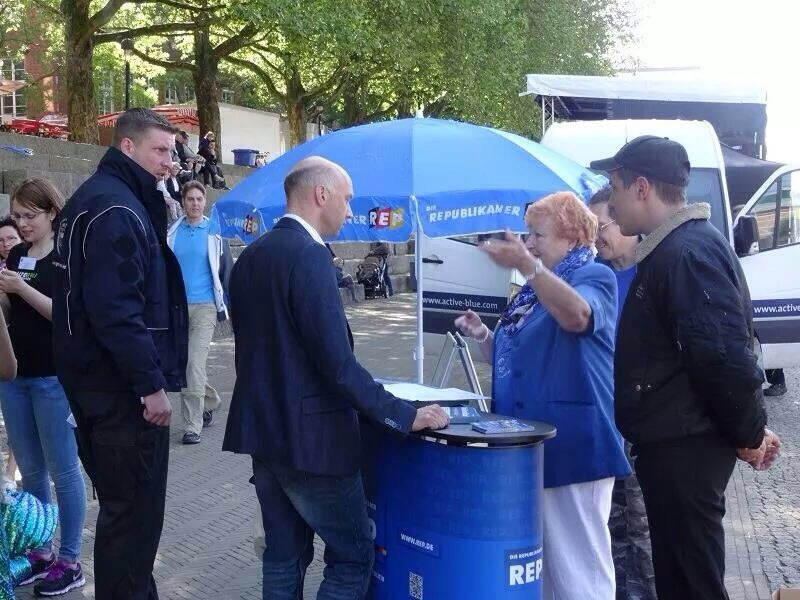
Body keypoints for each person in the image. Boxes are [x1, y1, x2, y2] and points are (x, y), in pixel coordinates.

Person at [223, 156, 449, 599]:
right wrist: (403, 415)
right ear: (320, 194)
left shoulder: (250, 256)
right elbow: (338, 365)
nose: (350, 212)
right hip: (314, 443)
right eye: (347, 199)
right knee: (352, 556)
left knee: (283, 557)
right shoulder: (308, 257)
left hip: (265, 435)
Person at [590, 136, 781, 600]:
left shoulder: (686, 251)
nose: (609, 203)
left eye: (613, 187)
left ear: (640, 187)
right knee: (681, 578)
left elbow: (723, 358)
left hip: (685, 449)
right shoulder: (675, 248)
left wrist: (749, 434)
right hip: (676, 445)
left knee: (692, 583)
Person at [455, 191, 630, 600]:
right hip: (531, 449)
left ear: (571, 239)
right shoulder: (533, 291)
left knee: (579, 572)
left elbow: (578, 317)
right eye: (528, 234)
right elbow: (514, 353)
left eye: (538, 235)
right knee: (545, 573)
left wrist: (529, 267)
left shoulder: (593, 276)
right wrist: (484, 335)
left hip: (573, 448)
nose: (529, 243)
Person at [52, 108, 189, 600]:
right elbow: (116, 311)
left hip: (94, 388)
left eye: (171, 152)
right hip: (121, 395)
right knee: (132, 522)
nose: (169, 162)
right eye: (160, 150)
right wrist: (151, 386)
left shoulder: (94, 201)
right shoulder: (116, 209)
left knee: (122, 518)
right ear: (126, 147)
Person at [0, 178, 87, 596]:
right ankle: (40, 551)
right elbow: (11, 310)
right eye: (16, 216)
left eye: (29, 216)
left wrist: (21, 288)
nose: (22, 224)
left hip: (54, 379)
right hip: (15, 377)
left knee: (64, 473)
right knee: (30, 472)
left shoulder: (65, 258)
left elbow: (66, 316)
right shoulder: (16, 254)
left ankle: (70, 559)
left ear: (52, 212)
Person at [589, 187, 657, 600]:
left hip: (642, 422)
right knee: (608, 525)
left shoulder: (655, 271)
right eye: (593, 226)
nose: (597, 236)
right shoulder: (594, 274)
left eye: (604, 225)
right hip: (603, 419)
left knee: (644, 526)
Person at [167, 181, 231, 443]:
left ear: (205, 202)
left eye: (199, 199)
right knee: (184, 367)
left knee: (194, 364)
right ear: (182, 202)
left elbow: (226, 271)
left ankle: (192, 426)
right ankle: (210, 401)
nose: (194, 203)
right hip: (177, 308)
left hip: (205, 306)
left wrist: (230, 306)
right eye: (190, 199)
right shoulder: (171, 233)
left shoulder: (214, 232)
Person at [0, 216, 21, 489]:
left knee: (17, 416)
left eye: (10, 239)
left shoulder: (28, 266)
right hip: (4, 351)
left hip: (23, 351)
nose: (5, 244)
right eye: (1, 240)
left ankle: (12, 470)